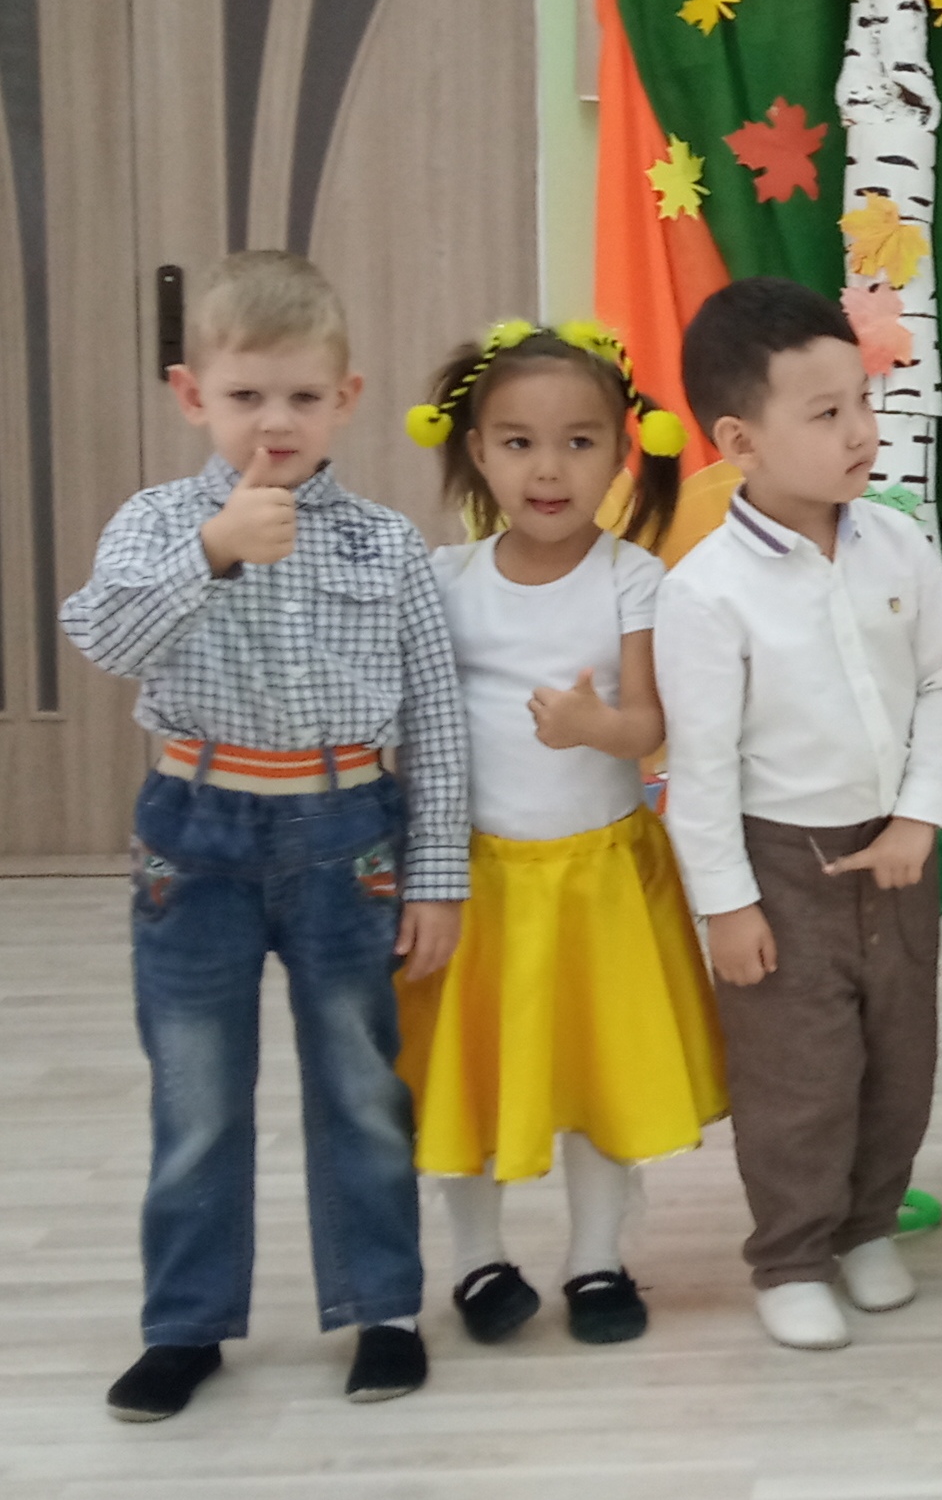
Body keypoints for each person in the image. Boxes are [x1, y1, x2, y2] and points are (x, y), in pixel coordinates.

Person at [62, 251, 467, 1420]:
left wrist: (437, 878)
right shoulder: (158, 522)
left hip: (350, 835)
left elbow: (437, 719)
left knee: (361, 1086)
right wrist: (214, 549)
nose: (273, 422)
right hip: (196, 841)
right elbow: (104, 638)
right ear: (193, 395)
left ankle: (382, 1309)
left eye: (301, 396)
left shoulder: (386, 542)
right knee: (197, 1096)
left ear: (346, 397)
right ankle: (184, 1326)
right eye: (245, 396)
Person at [653, 279, 942, 1352]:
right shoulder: (705, 592)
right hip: (781, 866)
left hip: (897, 854)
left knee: (899, 1059)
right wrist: (727, 905)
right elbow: (700, 767)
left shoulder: (895, 544)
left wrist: (920, 818)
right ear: (740, 441)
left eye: (862, 401)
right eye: (826, 412)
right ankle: (792, 1255)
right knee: (800, 1076)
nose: (860, 431)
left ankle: (868, 1225)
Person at [394, 319, 724, 1351]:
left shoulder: (633, 577)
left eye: (579, 442)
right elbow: (416, 724)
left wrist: (593, 726)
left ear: (622, 451)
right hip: (476, 878)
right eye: (519, 442)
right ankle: (477, 1259)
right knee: (468, 1074)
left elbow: (651, 724)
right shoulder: (445, 579)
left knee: (598, 1068)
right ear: (476, 451)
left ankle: (596, 1258)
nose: (548, 468)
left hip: (601, 876)